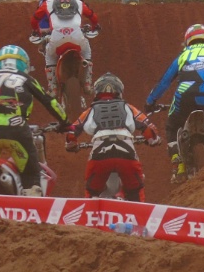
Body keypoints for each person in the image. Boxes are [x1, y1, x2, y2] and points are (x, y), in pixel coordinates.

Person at [0, 45, 69, 196]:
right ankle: (31, 199)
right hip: (17, 128)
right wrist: (64, 122)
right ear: (23, 64)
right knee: (31, 175)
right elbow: (50, 102)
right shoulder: (26, 78)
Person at [145, 24, 204, 182]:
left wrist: (151, 101)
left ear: (188, 40)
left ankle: (177, 166)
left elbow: (165, 81)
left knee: (172, 126)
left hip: (183, 94)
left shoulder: (183, 54)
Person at [64, 73, 161, 202]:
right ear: (120, 91)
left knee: (92, 192)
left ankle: (90, 219)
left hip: (100, 151)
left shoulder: (90, 111)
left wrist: (72, 144)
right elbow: (149, 127)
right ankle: (138, 219)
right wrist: (153, 140)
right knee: (136, 190)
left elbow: (72, 131)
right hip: (126, 150)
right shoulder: (128, 108)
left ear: (97, 92)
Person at [31, 0, 100, 98]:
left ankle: (52, 89)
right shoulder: (79, 2)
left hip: (57, 38)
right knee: (87, 50)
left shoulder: (47, 3)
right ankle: (88, 84)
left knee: (49, 56)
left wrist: (37, 31)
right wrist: (95, 26)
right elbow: (93, 17)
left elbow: (34, 19)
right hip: (77, 38)